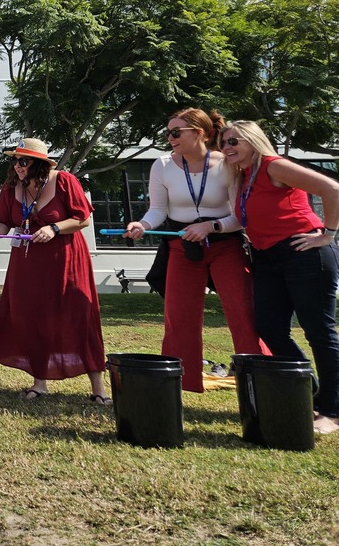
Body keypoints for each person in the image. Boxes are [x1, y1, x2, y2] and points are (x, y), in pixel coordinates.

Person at [124, 108, 267, 393]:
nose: (170, 138)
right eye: (168, 132)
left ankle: (260, 380)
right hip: (182, 247)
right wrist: (141, 224)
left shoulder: (226, 163)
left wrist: (211, 227)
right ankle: (180, 383)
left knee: (243, 311)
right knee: (179, 316)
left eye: (176, 132)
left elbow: (239, 216)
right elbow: (157, 210)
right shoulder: (162, 165)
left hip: (225, 245)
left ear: (199, 133)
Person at [220, 120, 339, 436]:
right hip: (266, 258)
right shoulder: (244, 177)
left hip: (303, 252)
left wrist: (328, 234)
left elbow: (331, 188)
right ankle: (309, 391)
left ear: (252, 141)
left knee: (318, 331)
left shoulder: (274, 166)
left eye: (234, 141)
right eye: (223, 143)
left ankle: (332, 410)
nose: (227, 147)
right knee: (270, 327)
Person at [0, 138, 110, 404]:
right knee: (32, 316)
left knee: (79, 316)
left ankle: (99, 389)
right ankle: (40, 383)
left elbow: (83, 218)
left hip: (65, 259)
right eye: (15, 160)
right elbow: (4, 222)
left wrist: (54, 228)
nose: (17, 166)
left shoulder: (64, 180)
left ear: (39, 163)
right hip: (26, 263)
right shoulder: (10, 188)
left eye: (24, 160)